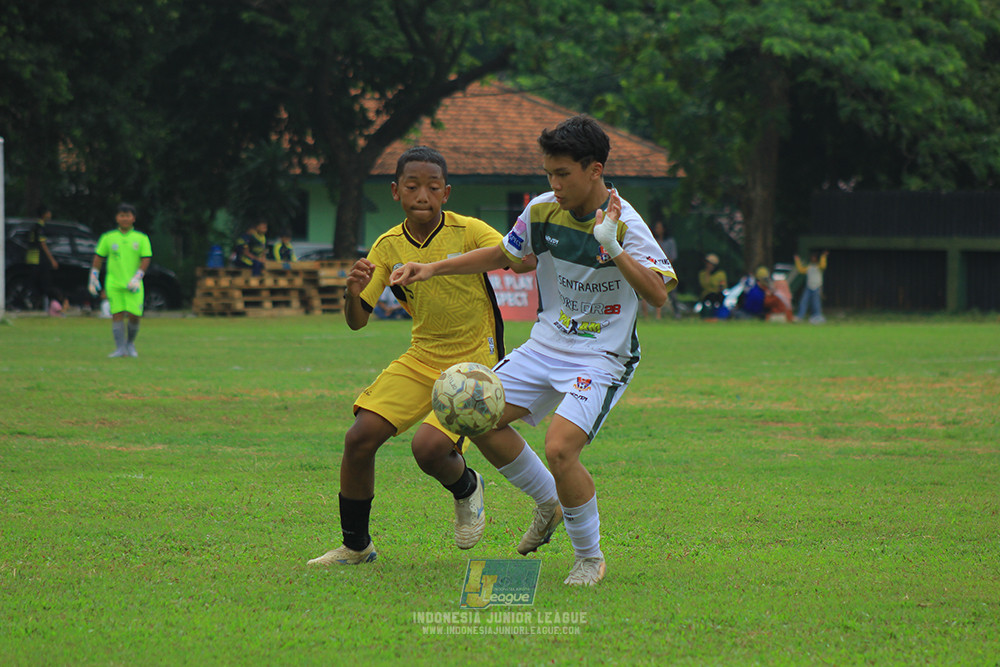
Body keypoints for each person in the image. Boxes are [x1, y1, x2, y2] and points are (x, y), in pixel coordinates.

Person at [392, 116, 677, 586]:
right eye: (549, 174)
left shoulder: (625, 222)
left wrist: (613, 246)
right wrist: (433, 267)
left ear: (594, 169)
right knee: (477, 415)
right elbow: (507, 256)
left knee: (560, 449)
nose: (554, 184)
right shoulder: (543, 210)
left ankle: (589, 558)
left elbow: (658, 294)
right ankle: (549, 502)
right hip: (546, 344)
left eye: (563, 174)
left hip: (601, 356)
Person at [307, 146, 537, 567]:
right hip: (421, 355)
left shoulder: (470, 231)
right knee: (358, 439)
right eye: (412, 187)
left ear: (445, 193)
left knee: (428, 449)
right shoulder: (387, 246)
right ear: (396, 191)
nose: (422, 196)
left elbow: (519, 260)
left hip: (474, 360)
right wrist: (352, 293)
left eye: (433, 187)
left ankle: (466, 487)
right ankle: (356, 546)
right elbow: (357, 321)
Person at [88, 204, 152, 358]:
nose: (124, 219)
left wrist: (137, 277)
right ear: (117, 218)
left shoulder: (141, 238)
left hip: (133, 284)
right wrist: (94, 276)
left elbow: (146, 258)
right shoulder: (108, 237)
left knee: (134, 315)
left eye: (127, 216)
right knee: (117, 314)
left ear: (133, 218)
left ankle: (130, 343)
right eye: (122, 216)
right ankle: (120, 348)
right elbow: (99, 257)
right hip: (114, 283)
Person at [643, 219, 680, 319]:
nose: (657, 230)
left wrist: (663, 265)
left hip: (667, 269)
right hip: (653, 268)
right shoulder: (652, 241)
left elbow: (672, 257)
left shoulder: (670, 242)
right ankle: (649, 315)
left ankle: (676, 313)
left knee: (672, 293)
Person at [26, 205, 59, 311]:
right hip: (37, 259)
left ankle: (38, 303)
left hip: (32, 258)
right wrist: (52, 260)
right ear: (44, 214)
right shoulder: (40, 227)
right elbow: (43, 244)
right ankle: (40, 302)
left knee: (36, 282)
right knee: (43, 282)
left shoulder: (34, 226)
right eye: (48, 212)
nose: (50, 214)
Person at [794, 251, 829, 323]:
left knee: (816, 303)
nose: (813, 259)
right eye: (812, 258)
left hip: (817, 287)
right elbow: (801, 270)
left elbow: (823, 265)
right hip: (809, 287)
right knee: (803, 301)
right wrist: (797, 260)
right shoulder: (809, 267)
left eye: (814, 258)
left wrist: (823, 257)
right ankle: (800, 316)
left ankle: (817, 316)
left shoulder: (819, 267)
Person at [698, 253, 727, 319]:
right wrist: (707, 274)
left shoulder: (720, 274)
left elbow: (722, 285)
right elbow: (703, 284)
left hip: (717, 294)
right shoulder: (702, 274)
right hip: (706, 295)